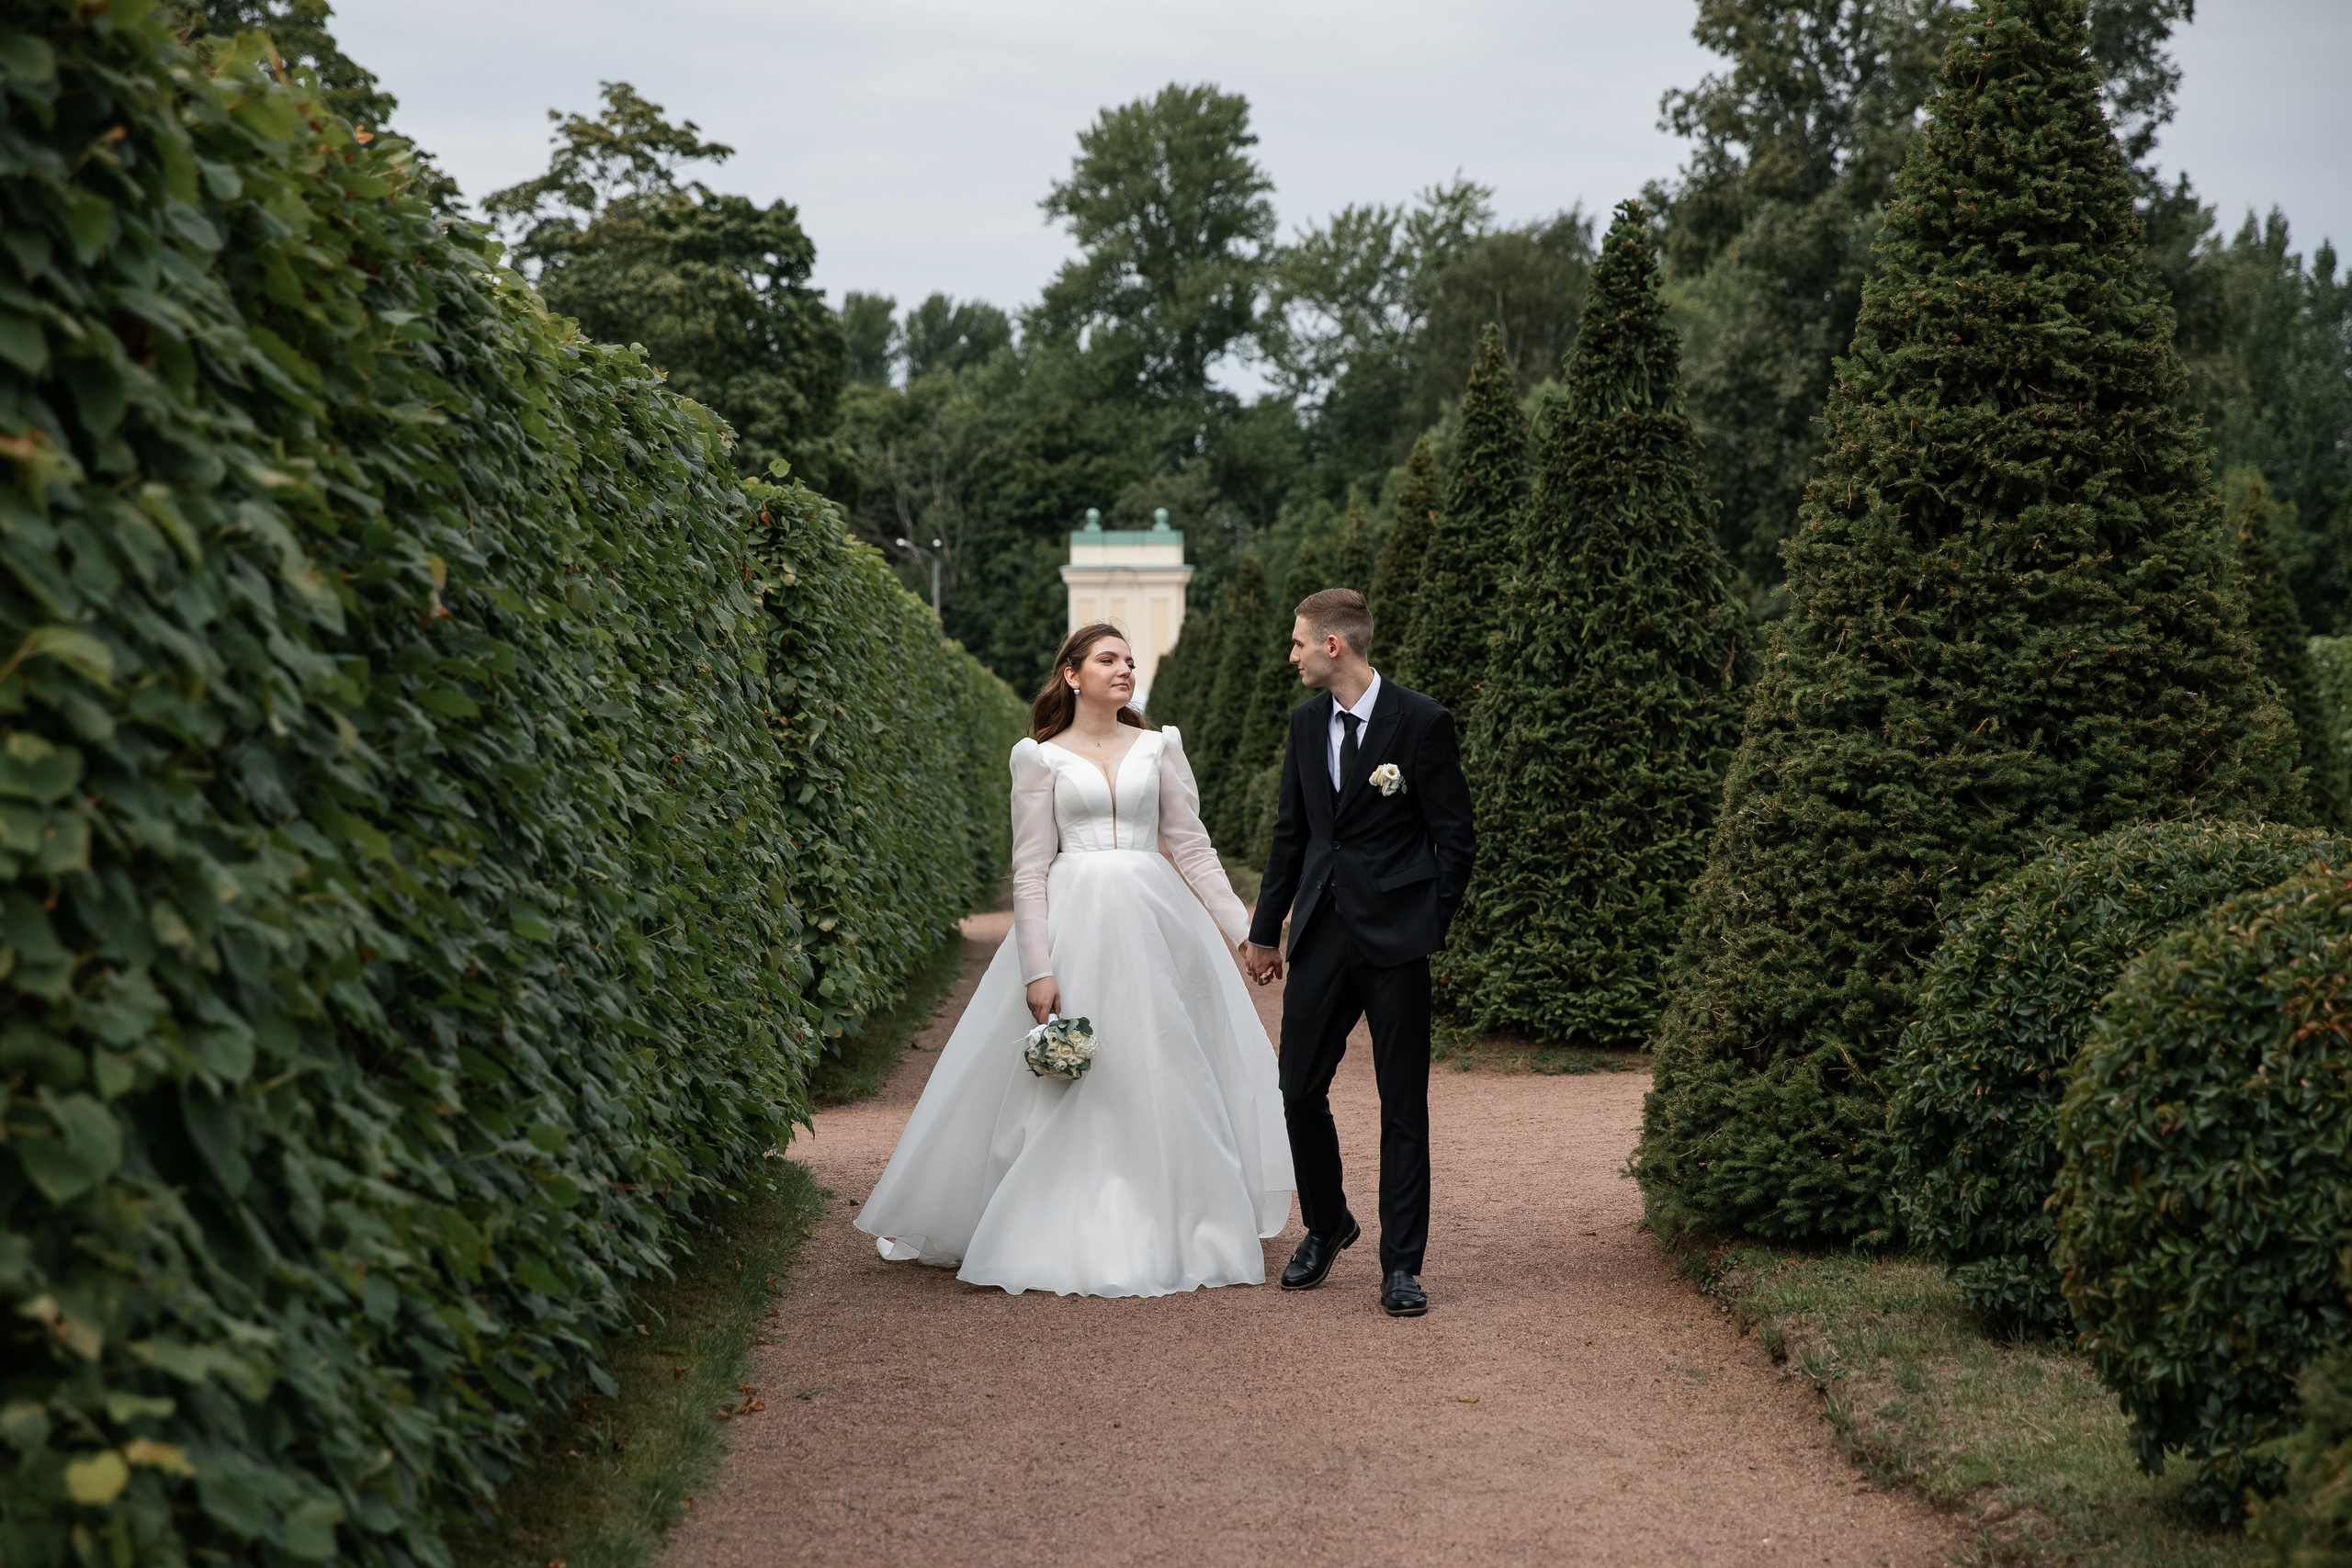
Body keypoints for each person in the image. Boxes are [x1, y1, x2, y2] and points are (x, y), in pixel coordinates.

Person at [855, 625, 1294, 1297]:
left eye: (1129, 660)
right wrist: (1038, 966)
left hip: (1157, 924)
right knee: (1078, 1074)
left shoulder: (1159, 745)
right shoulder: (1038, 759)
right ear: (1072, 673)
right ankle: (1056, 1218)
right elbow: (1029, 872)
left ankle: (1185, 1219)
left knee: (1169, 1060)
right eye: (1108, 659)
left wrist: (1246, 932)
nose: (1124, 669)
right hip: (1074, 925)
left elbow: (1195, 849)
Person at [1242, 588, 1476, 1317]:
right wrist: (1264, 928)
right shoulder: (1306, 725)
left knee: (1403, 1101)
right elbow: (1292, 833)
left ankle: (1401, 1264)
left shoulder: (1423, 721)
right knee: (1297, 1087)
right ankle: (1327, 1221)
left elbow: (1456, 837)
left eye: (1298, 642)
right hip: (1322, 931)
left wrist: (1425, 921)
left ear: (1333, 646)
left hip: (1397, 936)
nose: (1292, 655)